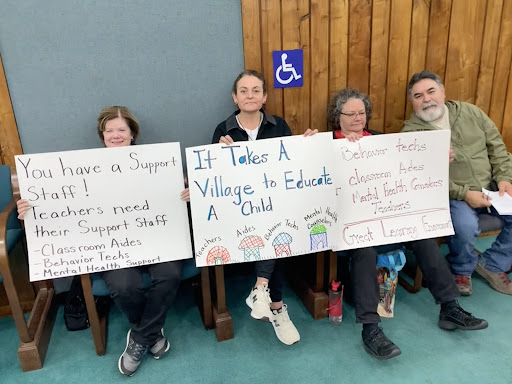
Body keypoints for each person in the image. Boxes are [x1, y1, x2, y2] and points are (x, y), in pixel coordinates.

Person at [17, 106, 189, 376]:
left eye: (122, 129)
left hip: (158, 239)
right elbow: (64, 209)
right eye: (109, 130)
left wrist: (186, 193)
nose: (116, 135)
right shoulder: (80, 172)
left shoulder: (158, 165)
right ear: (102, 135)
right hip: (112, 247)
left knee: (169, 274)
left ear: (133, 133)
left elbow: (173, 197)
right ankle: (152, 333)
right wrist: (31, 208)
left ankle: (140, 337)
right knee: (123, 285)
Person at [329, 88, 488, 360]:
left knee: (424, 239)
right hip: (353, 223)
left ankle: (449, 307)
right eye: (351, 114)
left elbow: (410, 169)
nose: (358, 118)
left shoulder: (381, 140)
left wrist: (437, 159)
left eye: (362, 113)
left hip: (391, 216)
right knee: (365, 251)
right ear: (337, 117)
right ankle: (370, 328)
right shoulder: (328, 143)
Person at [212, 69, 316, 346]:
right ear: (235, 97)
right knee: (274, 231)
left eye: (255, 90)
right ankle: (275, 303)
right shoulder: (223, 131)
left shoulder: (279, 125)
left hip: (275, 208)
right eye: (243, 91)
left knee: (276, 227)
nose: (250, 95)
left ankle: (262, 290)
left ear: (264, 96)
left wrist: (307, 147)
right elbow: (215, 181)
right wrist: (220, 155)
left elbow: (292, 168)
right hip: (239, 211)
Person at [402, 70, 512, 296]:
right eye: (418, 96)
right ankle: (461, 268)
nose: (426, 99)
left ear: (443, 92)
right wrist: (464, 194)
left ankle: (493, 264)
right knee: (465, 225)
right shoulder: (411, 133)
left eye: (431, 91)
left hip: (490, 186)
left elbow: (498, 148)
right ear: (412, 102)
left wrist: (504, 178)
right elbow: (419, 179)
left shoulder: (471, 112)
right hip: (451, 195)